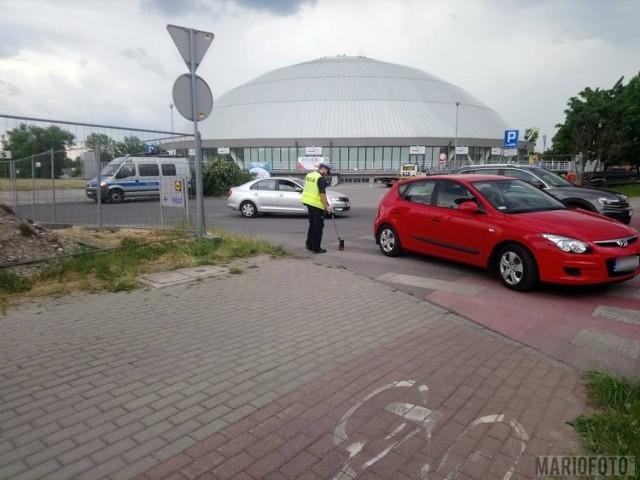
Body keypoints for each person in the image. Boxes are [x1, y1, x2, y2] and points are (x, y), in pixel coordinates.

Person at [301, 162, 333, 253]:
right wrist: (327, 207)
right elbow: (322, 195)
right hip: (317, 205)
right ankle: (316, 248)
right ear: (324, 169)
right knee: (318, 227)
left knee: (312, 225)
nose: (327, 174)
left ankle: (309, 244)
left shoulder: (309, 175)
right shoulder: (320, 179)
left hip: (309, 204)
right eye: (327, 172)